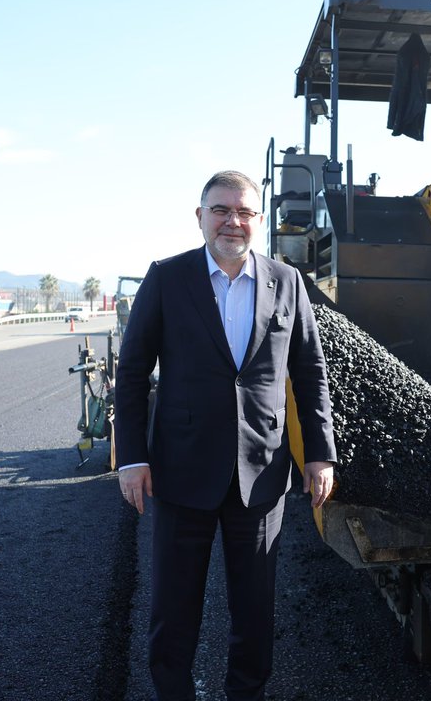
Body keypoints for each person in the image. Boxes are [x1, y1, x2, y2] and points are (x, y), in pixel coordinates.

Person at [114, 170, 337, 701]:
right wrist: (131, 458)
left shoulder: (288, 282)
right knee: (174, 610)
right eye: (221, 210)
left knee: (255, 611)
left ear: (259, 221)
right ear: (200, 217)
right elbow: (133, 370)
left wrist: (321, 455)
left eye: (244, 212)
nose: (232, 221)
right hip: (181, 471)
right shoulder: (167, 279)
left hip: (261, 475)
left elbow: (309, 372)